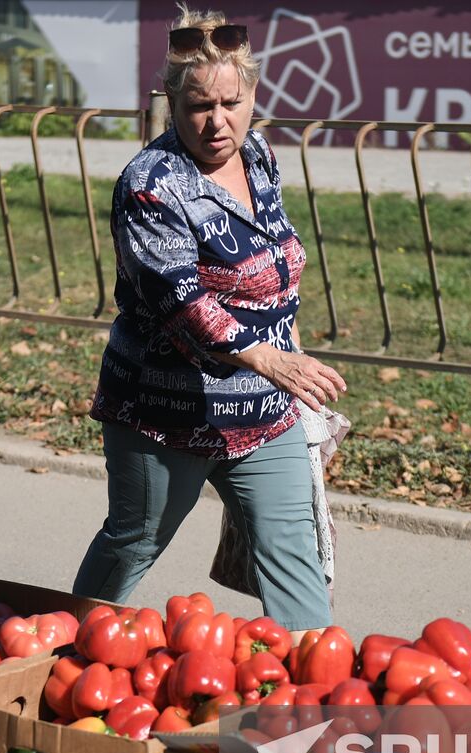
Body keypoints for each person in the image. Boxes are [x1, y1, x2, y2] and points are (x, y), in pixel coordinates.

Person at [71, 6, 347, 634]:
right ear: (171, 101)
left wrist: (292, 360)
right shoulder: (150, 185)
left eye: (231, 101)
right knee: (132, 542)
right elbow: (182, 303)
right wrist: (271, 358)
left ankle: (315, 700)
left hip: (262, 411)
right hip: (163, 416)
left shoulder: (259, 154)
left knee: (293, 557)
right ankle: (60, 654)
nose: (217, 121)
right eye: (199, 105)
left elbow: (277, 266)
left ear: (253, 96)